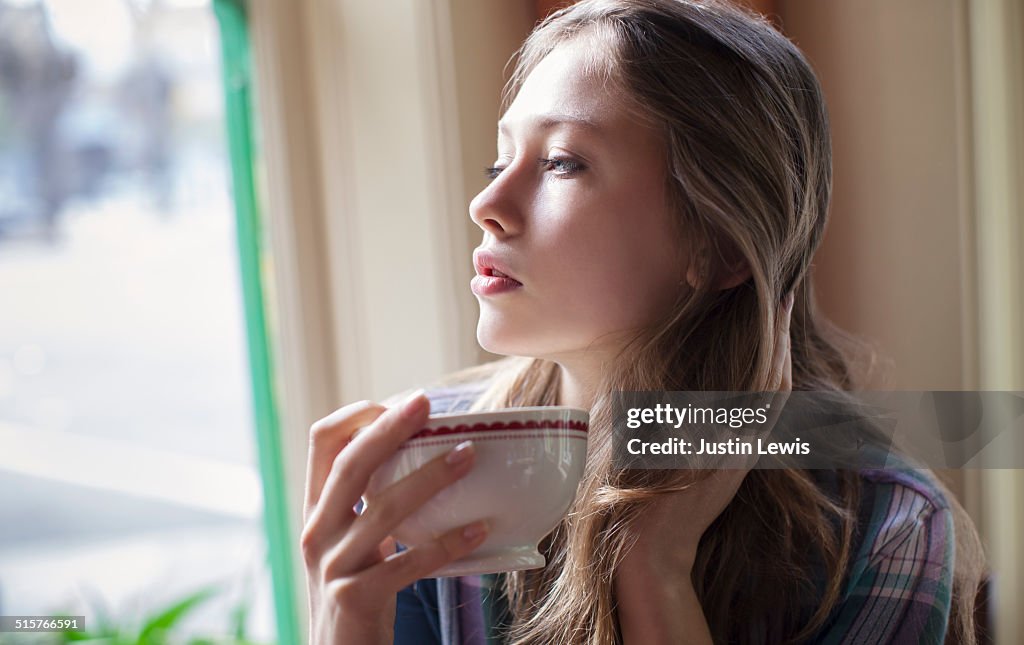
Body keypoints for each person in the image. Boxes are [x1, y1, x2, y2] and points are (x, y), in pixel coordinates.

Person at [300, 0, 986, 643]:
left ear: (715, 246)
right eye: (499, 159)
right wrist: (347, 624)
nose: (487, 202)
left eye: (563, 162)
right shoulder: (425, 477)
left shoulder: (886, 527)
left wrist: (653, 567)